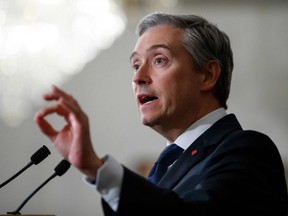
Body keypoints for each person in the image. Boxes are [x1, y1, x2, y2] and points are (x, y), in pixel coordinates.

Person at [35, 12, 288, 216]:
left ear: (208, 75)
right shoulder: (166, 166)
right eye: (135, 64)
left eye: (159, 60)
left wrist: (96, 167)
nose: (138, 77)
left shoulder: (249, 150)